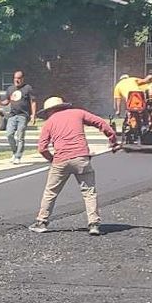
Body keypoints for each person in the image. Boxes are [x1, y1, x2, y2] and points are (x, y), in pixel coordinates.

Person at [31, 96, 120, 237]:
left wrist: (52, 159)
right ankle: (94, 224)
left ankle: (42, 222)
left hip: (60, 160)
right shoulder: (78, 113)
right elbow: (100, 123)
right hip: (81, 158)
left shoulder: (49, 123)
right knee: (89, 192)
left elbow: (42, 148)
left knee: (51, 192)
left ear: (49, 111)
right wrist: (113, 139)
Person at [0, 70, 37, 165]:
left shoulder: (27, 88)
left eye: (19, 78)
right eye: (15, 78)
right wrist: (0, 103)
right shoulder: (10, 89)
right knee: (9, 134)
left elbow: (33, 102)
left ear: (22, 79)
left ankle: (18, 156)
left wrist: (33, 115)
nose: (17, 80)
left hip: (23, 115)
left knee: (20, 136)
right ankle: (15, 152)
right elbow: (7, 101)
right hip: (12, 115)